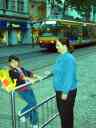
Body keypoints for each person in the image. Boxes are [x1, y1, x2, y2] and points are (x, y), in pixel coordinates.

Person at [8, 55, 39, 128]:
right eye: (12, 62)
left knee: (34, 105)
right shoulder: (11, 71)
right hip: (22, 90)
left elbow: (29, 73)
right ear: (10, 63)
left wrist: (35, 76)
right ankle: (22, 113)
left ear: (18, 62)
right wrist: (29, 79)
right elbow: (20, 77)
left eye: (16, 61)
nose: (15, 63)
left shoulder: (21, 68)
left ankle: (34, 123)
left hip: (28, 88)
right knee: (32, 103)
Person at [52, 38, 78, 128]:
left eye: (58, 45)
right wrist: (51, 73)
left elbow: (69, 76)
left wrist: (65, 92)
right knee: (64, 116)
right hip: (60, 90)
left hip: (67, 91)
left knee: (66, 116)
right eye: (56, 45)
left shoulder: (69, 58)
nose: (56, 47)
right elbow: (60, 70)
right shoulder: (60, 57)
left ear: (65, 46)